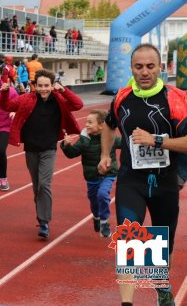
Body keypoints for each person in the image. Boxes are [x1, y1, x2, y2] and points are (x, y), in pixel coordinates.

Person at [97, 44, 187, 306]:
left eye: (150, 66)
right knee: (129, 242)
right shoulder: (122, 97)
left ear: (161, 68)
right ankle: (127, 304)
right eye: (139, 67)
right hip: (131, 181)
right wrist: (106, 155)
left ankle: (161, 287)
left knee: (161, 246)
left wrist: (157, 141)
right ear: (131, 68)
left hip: (165, 182)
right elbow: (107, 126)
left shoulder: (176, 100)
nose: (144, 72)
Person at [0, 69, 83, 238]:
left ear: (53, 86)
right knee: (37, 186)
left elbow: (78, 105)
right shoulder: (25, 99)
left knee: (44, 184)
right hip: (31, 149)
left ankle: (44, 222)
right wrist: (5, 92)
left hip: (49, 149)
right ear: (34, 86)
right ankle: (41, 216)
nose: (43, 89)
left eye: (47, 86)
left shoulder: (59, 100)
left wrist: (64, 90)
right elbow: (6, 106)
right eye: (40, 86)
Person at [61, 109, 121, 238]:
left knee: (103, 194)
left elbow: (126, 144)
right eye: (86, 122)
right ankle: (96, 217)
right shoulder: (84, 140)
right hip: (92, 177)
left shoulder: (112, 139)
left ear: (101, 125)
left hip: (108, 174)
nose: (86, 124)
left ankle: (104, 222)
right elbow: (72, 154)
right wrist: (66, 145)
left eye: (90, 122)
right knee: (94, 201)